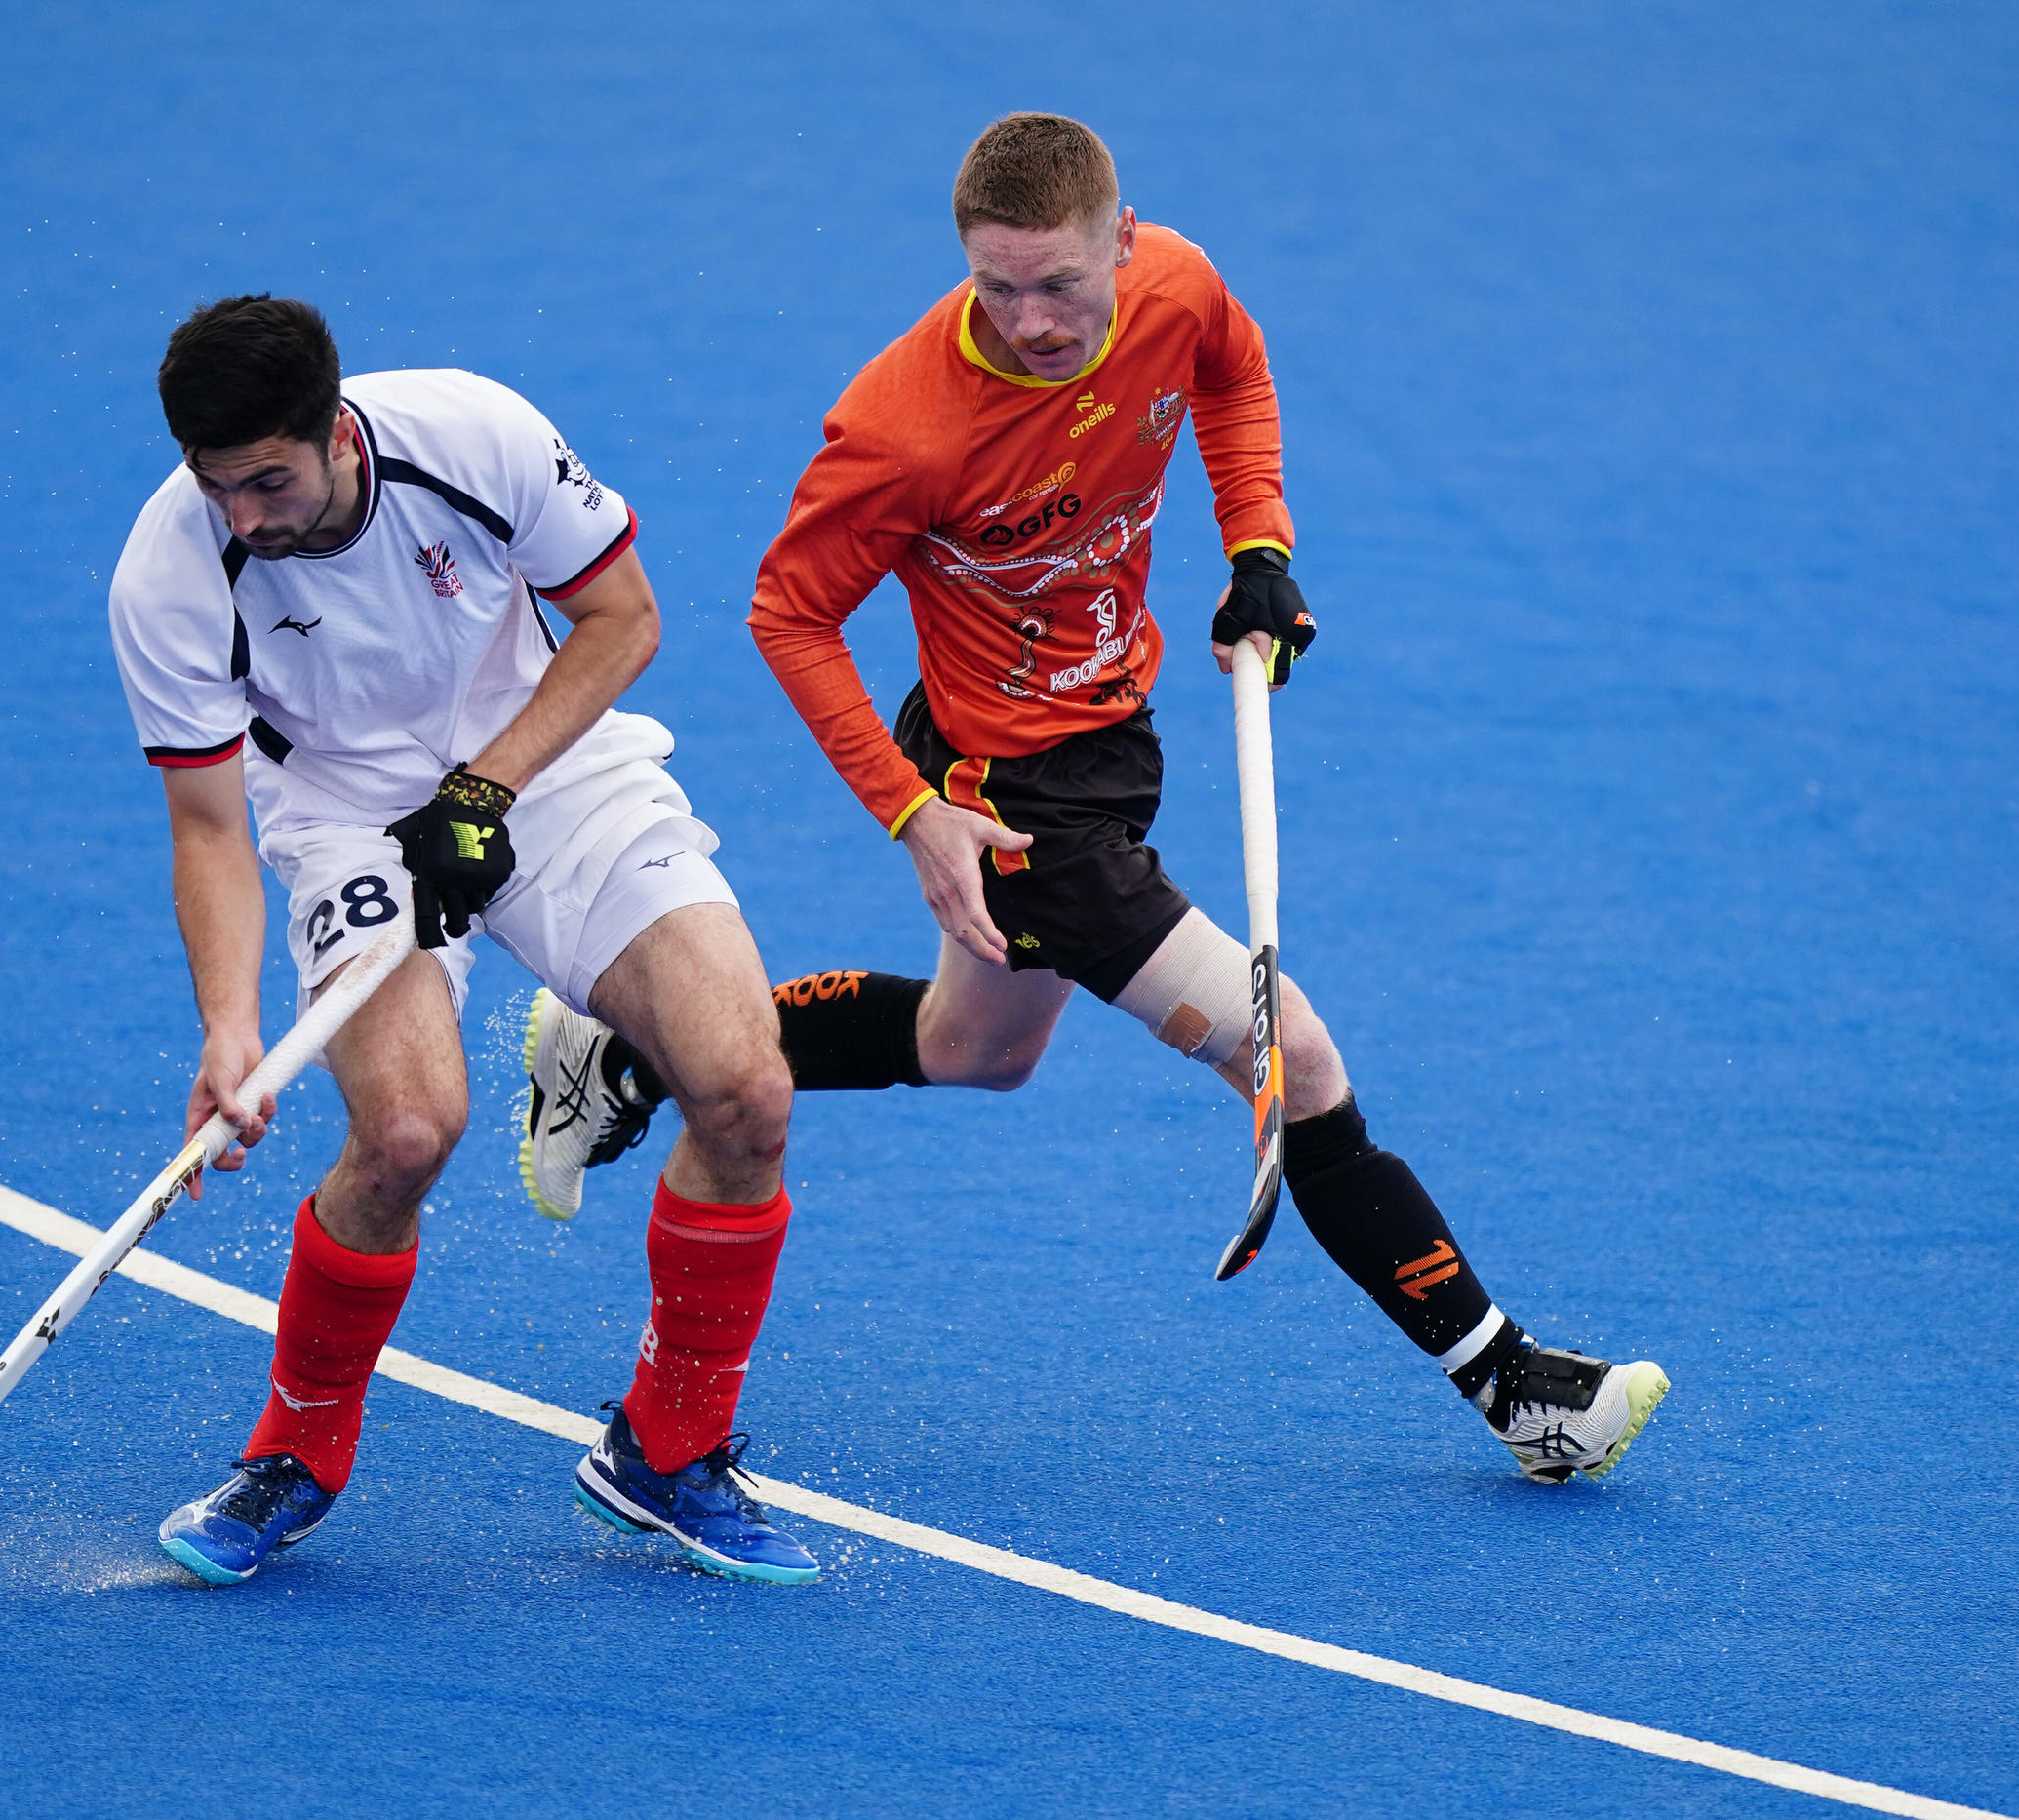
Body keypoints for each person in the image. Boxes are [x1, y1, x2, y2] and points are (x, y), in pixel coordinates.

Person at [521, 116, 1667, 1485]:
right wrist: (912, 812)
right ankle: (1514, 1384)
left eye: (1058, 283)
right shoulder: (903, 429)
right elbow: (789, 612)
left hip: (1108, 739)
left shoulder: (1176, 285)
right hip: (1010, 808)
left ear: (1122, 238)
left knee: (975, 1047)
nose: (1029, 320)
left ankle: (631, 1055)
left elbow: (1233, 375)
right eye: (995, 287)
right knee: (1293, 1060)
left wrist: (1258, 546)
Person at [108, 296, 818, 1585]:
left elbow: (626, 619)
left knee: (745, 1087)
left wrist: (484, 787)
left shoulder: (476, 435)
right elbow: (209, 826)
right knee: (407, 1130)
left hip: (547, 769)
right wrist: (229, 1024)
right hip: (344, 813)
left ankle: (669, 1448)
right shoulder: (168, 576)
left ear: (337, 429)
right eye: (220, 490)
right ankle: (296, 1451)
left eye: (269, 480)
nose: (248, 519)